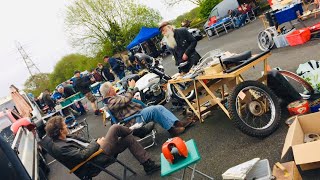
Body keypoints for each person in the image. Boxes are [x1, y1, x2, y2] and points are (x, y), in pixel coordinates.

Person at [44, 116, 160, 177]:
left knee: (128, 138)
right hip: (94, 159)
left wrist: (97, 141)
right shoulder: (61, 147)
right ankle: (138, 131)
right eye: (64, 126)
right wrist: (97, 143)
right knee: (115, 128)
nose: (67, 126)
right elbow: (82, 155)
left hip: (98, 150)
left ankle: (147, 164)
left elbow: (87, 142)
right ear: (59, 130)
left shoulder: (67, 137)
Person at [99, 80, 194, 136]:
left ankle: (177, 123)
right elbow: (126, 99)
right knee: (154, 110)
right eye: (112, 88)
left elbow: (127, 98)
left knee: (159, 107)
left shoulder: (112, 99)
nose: (114, 89)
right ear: (109, 91)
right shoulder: (110, 102)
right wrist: (131, 88)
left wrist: (134, 89)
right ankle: (172, 130)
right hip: (134, 119)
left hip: (138, 113)